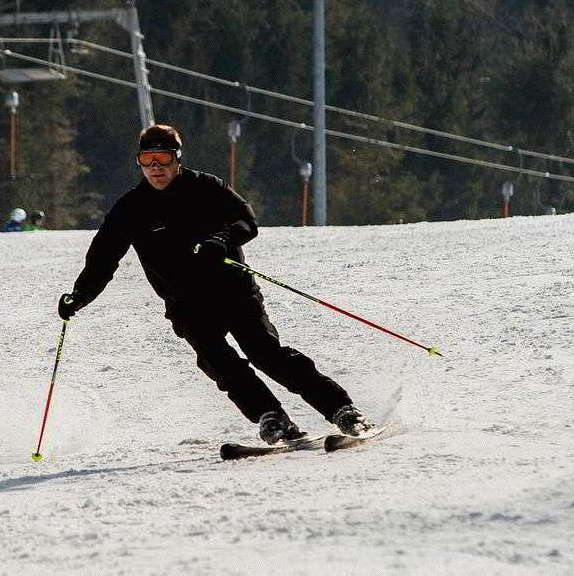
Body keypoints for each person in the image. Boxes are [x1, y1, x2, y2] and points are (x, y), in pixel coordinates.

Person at [57, 124, 371, 444]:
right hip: (185, 303)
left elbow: (246, 221)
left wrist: (221, 239)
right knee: (217, 361)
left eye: (163, 158)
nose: (156, 168)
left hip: (232, 291)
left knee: (265, 353)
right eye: (147, 159)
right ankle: (272, 416)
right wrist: (81, 294)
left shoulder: (206, 187)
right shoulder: (131, 208)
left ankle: (342, 410)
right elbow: (103, 257)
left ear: (177, 158)